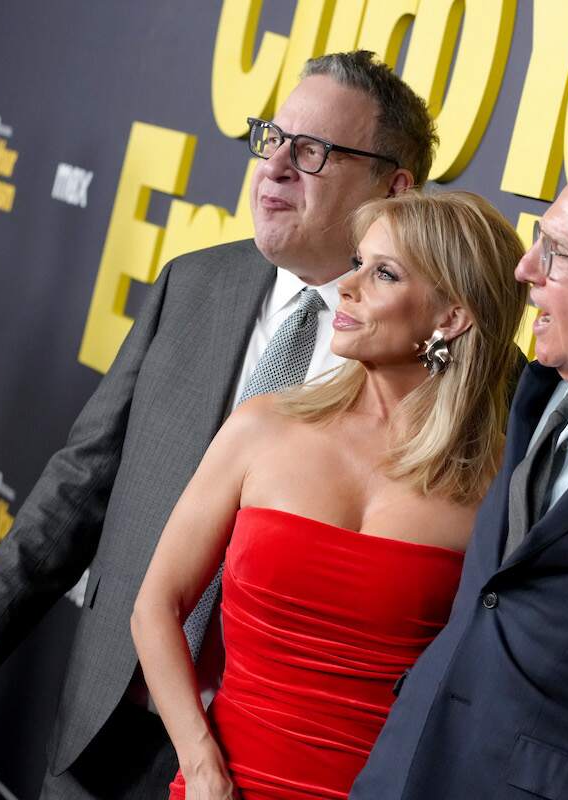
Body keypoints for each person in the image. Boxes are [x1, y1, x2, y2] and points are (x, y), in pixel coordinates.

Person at [0, 50, 435, 799]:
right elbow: (85, 476)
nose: (276, 167)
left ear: (395, 186)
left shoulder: (428, 364)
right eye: (271, 138)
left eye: (312, 151)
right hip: (108, 723)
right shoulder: (193, 284)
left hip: (273, 760)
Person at [131, 189, 528, 799]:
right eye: (357, 262)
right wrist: (202, 763)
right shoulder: (263, 426)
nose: (348, 285)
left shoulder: (499, 485)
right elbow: (156, 605)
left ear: (451, 317)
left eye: (384, 273)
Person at [350, 164, 568, 800]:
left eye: (558, 254)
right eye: (539, 239)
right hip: (403, 765)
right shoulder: (537, 392)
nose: (525, 269)